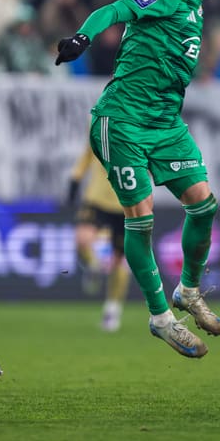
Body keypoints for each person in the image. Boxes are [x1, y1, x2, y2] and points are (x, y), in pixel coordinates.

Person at [54, 0, 220, 358]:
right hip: (122, 121)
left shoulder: (195, 6)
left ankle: (188, 291)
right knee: (141, 218)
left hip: (165, 125)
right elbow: (115, 9)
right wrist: (82, 38)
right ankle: (160, 318)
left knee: (204, 205)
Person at [67, 138, 130, 332]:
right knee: (82, 239)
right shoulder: (97, 123)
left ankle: (112, 309)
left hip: (126, 203)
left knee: (120, 260)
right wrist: (76, 177)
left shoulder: (141, 125)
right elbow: (89, 152)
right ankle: (94, 266)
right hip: (96, 198)